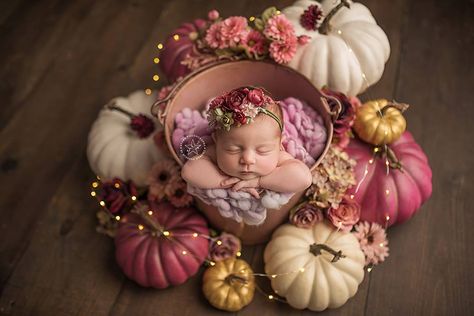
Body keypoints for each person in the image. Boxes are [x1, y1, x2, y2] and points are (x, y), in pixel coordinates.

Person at [181, 86, 312, 199]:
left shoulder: (279, 157)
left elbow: (304, 178)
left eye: (262, 150)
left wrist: (259, 182)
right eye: (233, 149)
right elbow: (189, 172)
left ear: (280, 145)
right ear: (217, 142)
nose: (248, 159)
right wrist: (229, 182)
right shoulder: (215, 153)